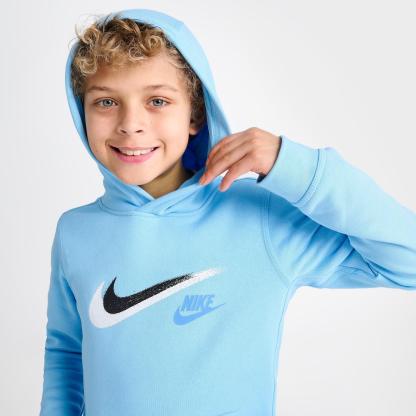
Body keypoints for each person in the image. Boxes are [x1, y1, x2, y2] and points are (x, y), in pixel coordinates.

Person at [39, 8, 416, 416]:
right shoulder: (76, 232)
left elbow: (407, 259)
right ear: (82, 113)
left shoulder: (259, 217)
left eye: (157, 101)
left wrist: (294, 165)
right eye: (106, 101)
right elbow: (66, 355)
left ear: (196, 114)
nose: (131, 124)